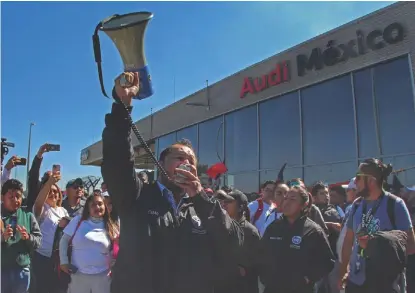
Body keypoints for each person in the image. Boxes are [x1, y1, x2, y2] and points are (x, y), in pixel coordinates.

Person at [101, 71, 243, 293]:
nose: (186, 162)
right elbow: (118, 161)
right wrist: (122, 107)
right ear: (160, 164)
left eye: (191, 160)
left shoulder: (203, 207)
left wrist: (201, 198)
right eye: (179, 157)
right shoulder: (137, 196)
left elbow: (233, 243)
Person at [339, 159, 415, 293]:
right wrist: (344, 271)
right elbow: (348, 241)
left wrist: (378, 243)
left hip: (385, 283)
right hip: (356, 281)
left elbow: (410, 245)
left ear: (371, 181)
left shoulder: (395, 204)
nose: (355, 182)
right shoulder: (356, 205)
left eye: (358, 177)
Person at [259, 185, 335, 293]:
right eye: (286, 198)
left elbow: (327, 261)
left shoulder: (313, 231)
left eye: (292, 199)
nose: (287, 202)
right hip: (273, 288)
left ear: (303, 205)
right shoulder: (273, 227)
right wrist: (265, 277)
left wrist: (309, 278)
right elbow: (261, 254)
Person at [59, 193, 119, 293]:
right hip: (78, 275)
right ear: (88, 208)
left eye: (100, 204)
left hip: (102, 278)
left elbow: (116, 247)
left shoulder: (110, 225)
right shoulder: (78, 220)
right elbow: (64, 240)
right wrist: (64, 262)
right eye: (93, 205)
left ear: (105, 206)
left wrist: (114, 262)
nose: (97, 207)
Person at [215, 189, 260, 293]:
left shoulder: (250, 232)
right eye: (223, 201)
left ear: (240, 207)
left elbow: (255, 264)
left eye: (228, 202)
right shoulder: (220, 226)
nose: (224, 204)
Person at [1, 179, 42, 293]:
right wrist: (2, 238)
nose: (15, 200)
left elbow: (38, 241)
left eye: (18, 196)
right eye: (11, 197)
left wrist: (28, 238)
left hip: (22, 272)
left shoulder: (28, 216)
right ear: (2, 197)